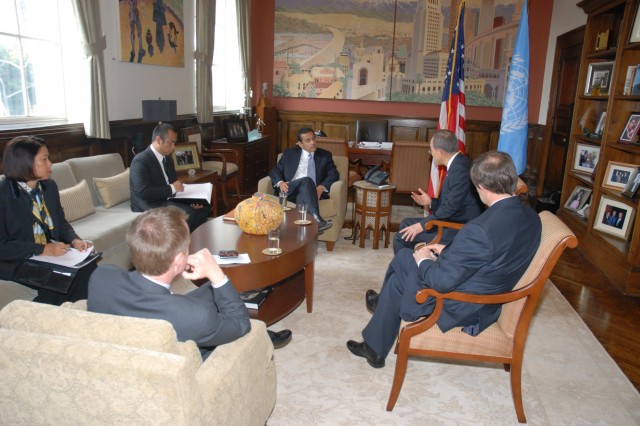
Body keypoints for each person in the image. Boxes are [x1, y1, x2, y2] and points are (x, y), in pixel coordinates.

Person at [347, 151, 541, 368]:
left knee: (405, 258)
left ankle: (377, 334)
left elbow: (441, 282)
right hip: (488, 290)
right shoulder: (530, 216)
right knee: (399, 277)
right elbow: (493, 252)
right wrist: (449, 248)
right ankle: (374, 345)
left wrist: (423, 258)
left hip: (464, 304)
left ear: (483, 188)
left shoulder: (480, 229)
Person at [87, 207, 292, 359]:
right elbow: (241, 324)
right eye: (187, 249)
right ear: (178, 261)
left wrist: (215, 286)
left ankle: (263, 331)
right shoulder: (196, 317)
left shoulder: (101, 277)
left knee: (211, 291)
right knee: (224, 298)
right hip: (188, 360)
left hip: (151, 327)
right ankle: (260, 337)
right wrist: (217, 275)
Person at [0, 136, 95, 305]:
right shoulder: (4, 195)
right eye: (44, 159)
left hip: (48, 252)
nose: (50, 163)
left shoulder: (48, 187)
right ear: (25, 162)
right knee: (58, 282)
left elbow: (60, 221)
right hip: (18, 259)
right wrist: (42, 249)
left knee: (87, 267)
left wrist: (75, 239)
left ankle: (85, 315)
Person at [393, 129, 483, 254]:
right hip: (454, 219)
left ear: (440, 152)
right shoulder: (460, 163)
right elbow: (454, 202)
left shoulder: (460, 170)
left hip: (459, 228)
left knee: (400, 237)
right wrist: (430, 202)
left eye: (431, 150)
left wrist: (421, 226)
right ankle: (415, 265)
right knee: (405, 224)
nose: (430, 153)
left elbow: (449, 208)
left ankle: (407, 269)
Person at [129, 123, 211, 232]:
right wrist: (172, 188)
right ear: (158, 140)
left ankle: (190, 239)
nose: (173, 147)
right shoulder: (141, 160)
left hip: (167, 199)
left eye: (174, 143)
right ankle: (179, 244)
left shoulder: (168, 160)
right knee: (188, 212)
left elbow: (174, 185)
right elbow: (143, 192)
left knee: (204, 207)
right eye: (170, 143)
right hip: (149, 203)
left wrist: (191, 201)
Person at [268, 127, 339, 232]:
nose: (313, 142)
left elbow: (334, 174)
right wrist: (280, 182)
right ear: (300, 144)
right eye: (308, 140)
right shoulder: (289, 154)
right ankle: (317, 219)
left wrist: (321, 188)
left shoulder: (325, 155)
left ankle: (304, 231)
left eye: (314, 139)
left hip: (311, 193)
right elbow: (275, 171)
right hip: (289, 189)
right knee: (306, 180)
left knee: (304, 191)